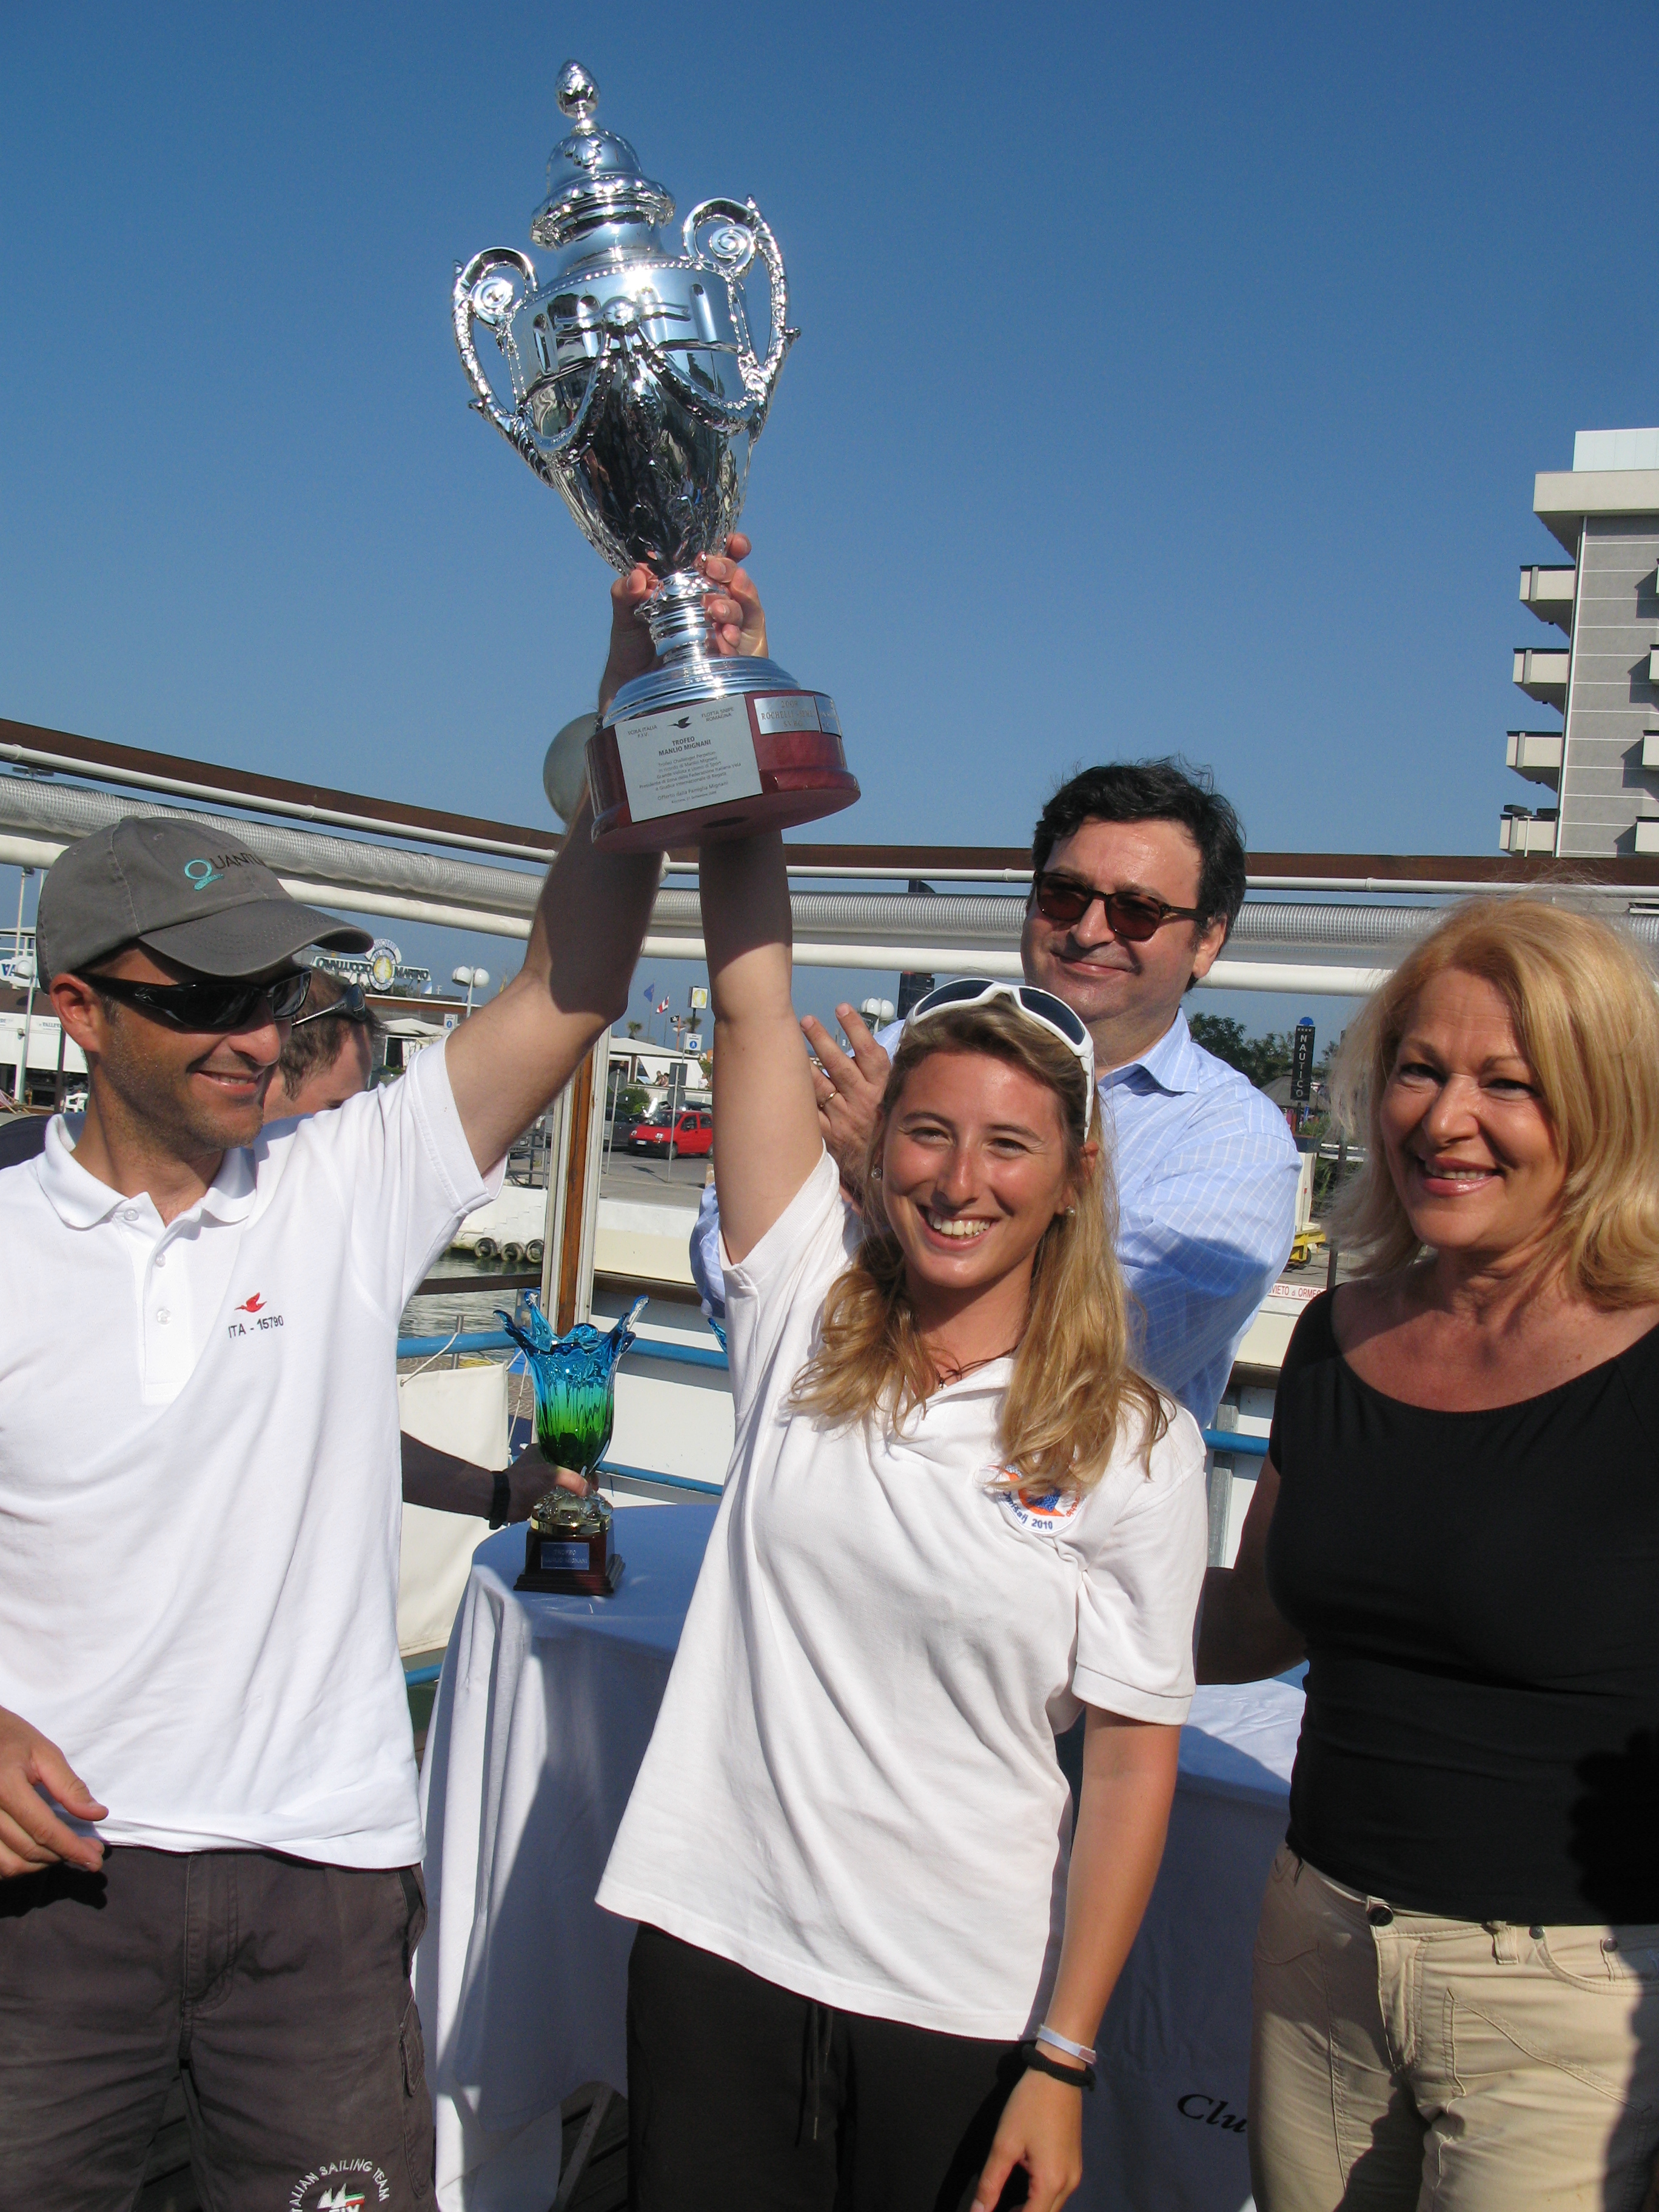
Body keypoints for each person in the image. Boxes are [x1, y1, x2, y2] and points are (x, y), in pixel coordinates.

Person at [0, 540, 752, 2209]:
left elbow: (571, 982)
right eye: (202, 998)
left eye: (273, 992)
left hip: (322, 1892)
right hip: (50, 1893)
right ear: (78, 1012)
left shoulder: (342, 1183)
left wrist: (637, 680)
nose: (255, 1035)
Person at [595, 780, 1210, 2204]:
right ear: (878, 1148)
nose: (958, 1180)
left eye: (1009, 1144)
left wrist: (1063, 2060)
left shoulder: (1136, 1445)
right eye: (926, 1133)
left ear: (1073, 1175)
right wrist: (727, 767)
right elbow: (752, 1010)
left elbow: (1130, 1766)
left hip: (958, 1999)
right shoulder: (801, 1311)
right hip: (716, 1944)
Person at [1197, 897, 1659, 2211]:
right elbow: (1255, 1624)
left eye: (1508, 1082)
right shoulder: (1338, 1336)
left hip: (1568, 2002)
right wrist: (1026, 1568)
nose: (1445, 1119)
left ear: (1602, 1106)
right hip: (1318, 1946)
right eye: (1419, 1068)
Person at [691, 757, 1301, 1427]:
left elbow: (1103, 1351)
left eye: (1137, 911)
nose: (1089, 931)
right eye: (1064, 894)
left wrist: (877, 1175)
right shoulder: (909, 1045)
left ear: (1207, 941)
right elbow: (729, 1259)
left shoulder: (1236, 1140)